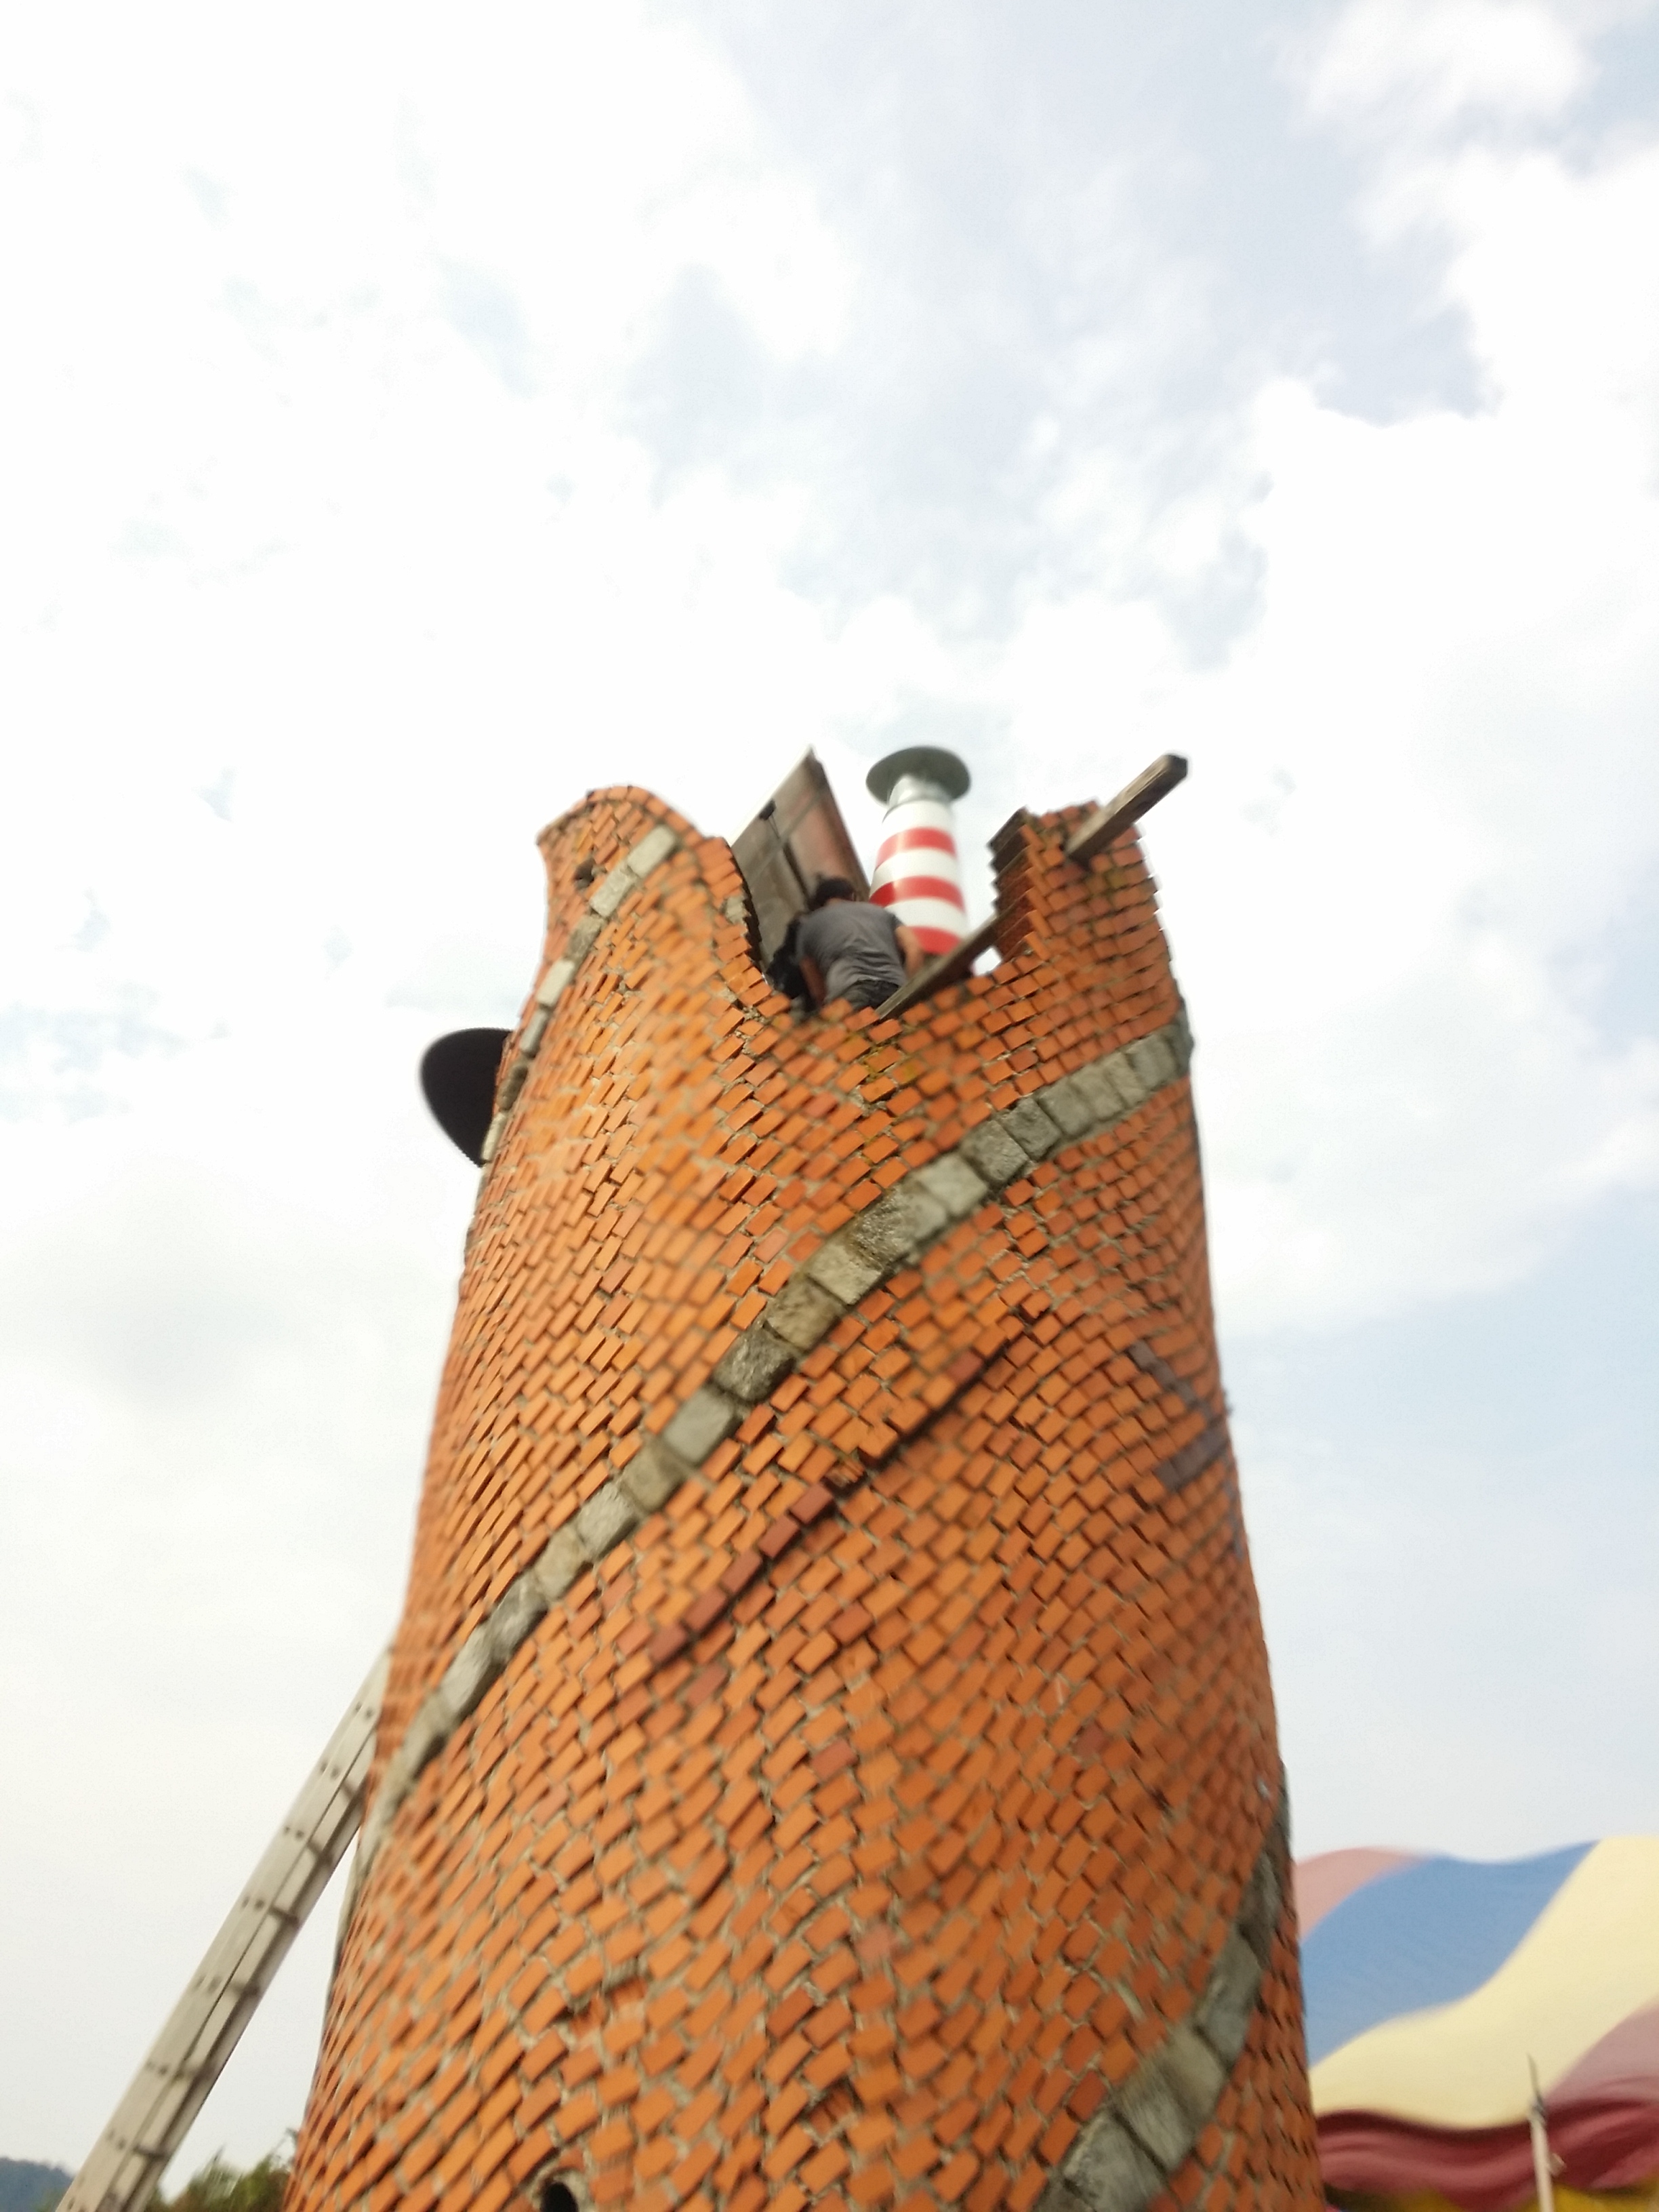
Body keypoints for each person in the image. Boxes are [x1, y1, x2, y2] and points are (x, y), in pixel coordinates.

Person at [796, 876, 926, 1012]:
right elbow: (915, 949)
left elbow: (817, 991)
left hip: (849, 995)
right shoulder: (882, 913)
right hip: (894, 987)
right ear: (852, 895)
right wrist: (907, 988)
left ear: (819, 903)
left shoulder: (807, 928)